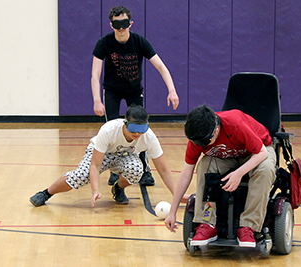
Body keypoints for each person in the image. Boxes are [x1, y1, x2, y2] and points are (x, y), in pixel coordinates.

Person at [30, 105, 188, 207]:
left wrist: (177, 195)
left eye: (142, 129)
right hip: (101, 154)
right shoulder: (109, 130)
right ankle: (46, 193)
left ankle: (118, 189)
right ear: (125, 124)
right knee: (81, 176)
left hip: (125, 156)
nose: (138, 134)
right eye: (133, 129)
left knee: (137, 170)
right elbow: (95, 165)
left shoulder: (149, 137)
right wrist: (95, 189)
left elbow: (164, 169)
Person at [164, 104, 276, 248]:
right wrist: (172, 212)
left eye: (205, 142)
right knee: (205, 165)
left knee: (266, 169)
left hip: (258, 151)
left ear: (216, 130)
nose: (201, 145)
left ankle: (249, 226)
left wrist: (239, 173)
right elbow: (186, 175)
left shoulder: (235, 124)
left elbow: (262, 153)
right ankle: (207, 222)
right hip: (227, 156)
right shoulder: (199, 135)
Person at [91, 5, 179, 187]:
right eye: (117, 25)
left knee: (140, 128)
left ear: (130, 23)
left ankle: (145, 170)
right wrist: (97, 100)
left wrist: (172, 90)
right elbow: (95, 73)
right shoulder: (104, 43)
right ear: (111, 25)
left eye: (124, 24)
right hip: (112, 90)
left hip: (133, 89)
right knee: (110, 128)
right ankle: (115, 173)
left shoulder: (139, 42)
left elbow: (161, 67)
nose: (121, 28)